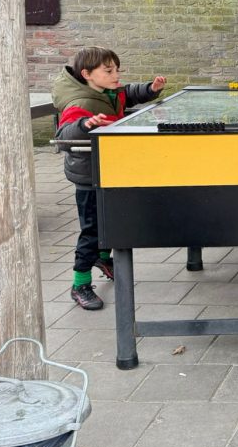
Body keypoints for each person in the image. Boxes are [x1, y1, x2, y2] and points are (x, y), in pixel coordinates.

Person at [53, 47, 166, 310]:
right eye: (109, 71)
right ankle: (80, 284)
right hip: (90, 176)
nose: (116, 75)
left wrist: (151, 89)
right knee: (92, 230)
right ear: (87, 74)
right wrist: (86, 125)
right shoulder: (80, 104)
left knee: (110, 220)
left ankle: (103, 258)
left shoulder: (109, 91)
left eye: (116, 69)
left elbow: (130, 93)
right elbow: (64, 134)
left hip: (110, 169)